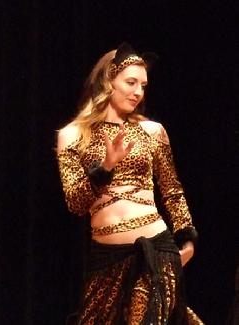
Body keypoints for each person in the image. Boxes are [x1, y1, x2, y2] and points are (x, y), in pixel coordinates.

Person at [57, 43, 204, 324]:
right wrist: (106, 167)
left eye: (143, 85)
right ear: (107, 81)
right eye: (131, 82)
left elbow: (172, 189)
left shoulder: (151, 131)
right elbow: (75, 203)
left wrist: (187, 238)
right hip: (106, 258)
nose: (138, 92)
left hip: (156, 251)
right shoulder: (72, 135)